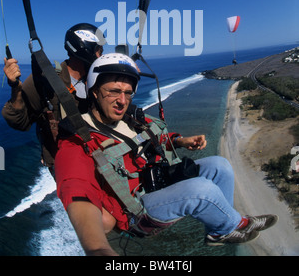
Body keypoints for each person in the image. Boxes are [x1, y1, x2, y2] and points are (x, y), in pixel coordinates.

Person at [54, 53, 278, 256]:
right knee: (202, 190)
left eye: (127, 93)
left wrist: (180, 141)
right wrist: (97, 248)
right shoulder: (78, 140)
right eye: (113, 91)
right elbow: (77, 191)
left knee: (221, 166)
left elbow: (155, 137)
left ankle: (222, 228)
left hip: (156, 184)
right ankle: (234, 224)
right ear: (94, 91)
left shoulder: (132, 119)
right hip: (136, 213)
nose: (122, 101)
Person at [2, 22, 105, 171]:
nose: (101, 55)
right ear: (85, 49)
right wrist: (16, 89)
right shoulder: (46, 80)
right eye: (98, 50)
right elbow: (20, 122)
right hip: (66, 164)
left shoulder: (98, 78)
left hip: (96, 155)